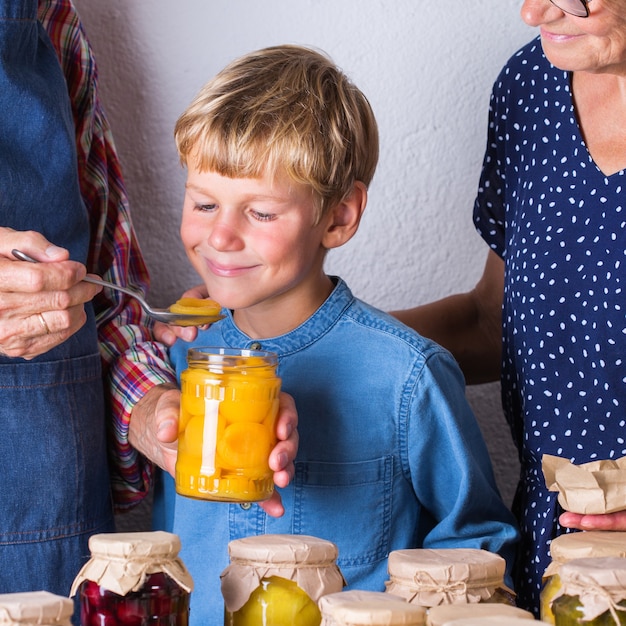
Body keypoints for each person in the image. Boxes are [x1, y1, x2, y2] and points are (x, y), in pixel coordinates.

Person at [141, 44, 519, 626]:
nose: (220, 237)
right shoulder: (182, 358)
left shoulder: (408, 374)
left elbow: (476, 546)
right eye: (205, 202)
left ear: (339, 217)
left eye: (260, 213)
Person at [0, 0, 296, 607]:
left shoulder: (46, 17)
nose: (221, 237)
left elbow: (107, 302)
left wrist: (155, 414)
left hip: (44, 539)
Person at [392, 0, 626, 615]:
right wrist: (304, 337)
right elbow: (496, 325)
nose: (533, 13)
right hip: (554, 567)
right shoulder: (531, 84)